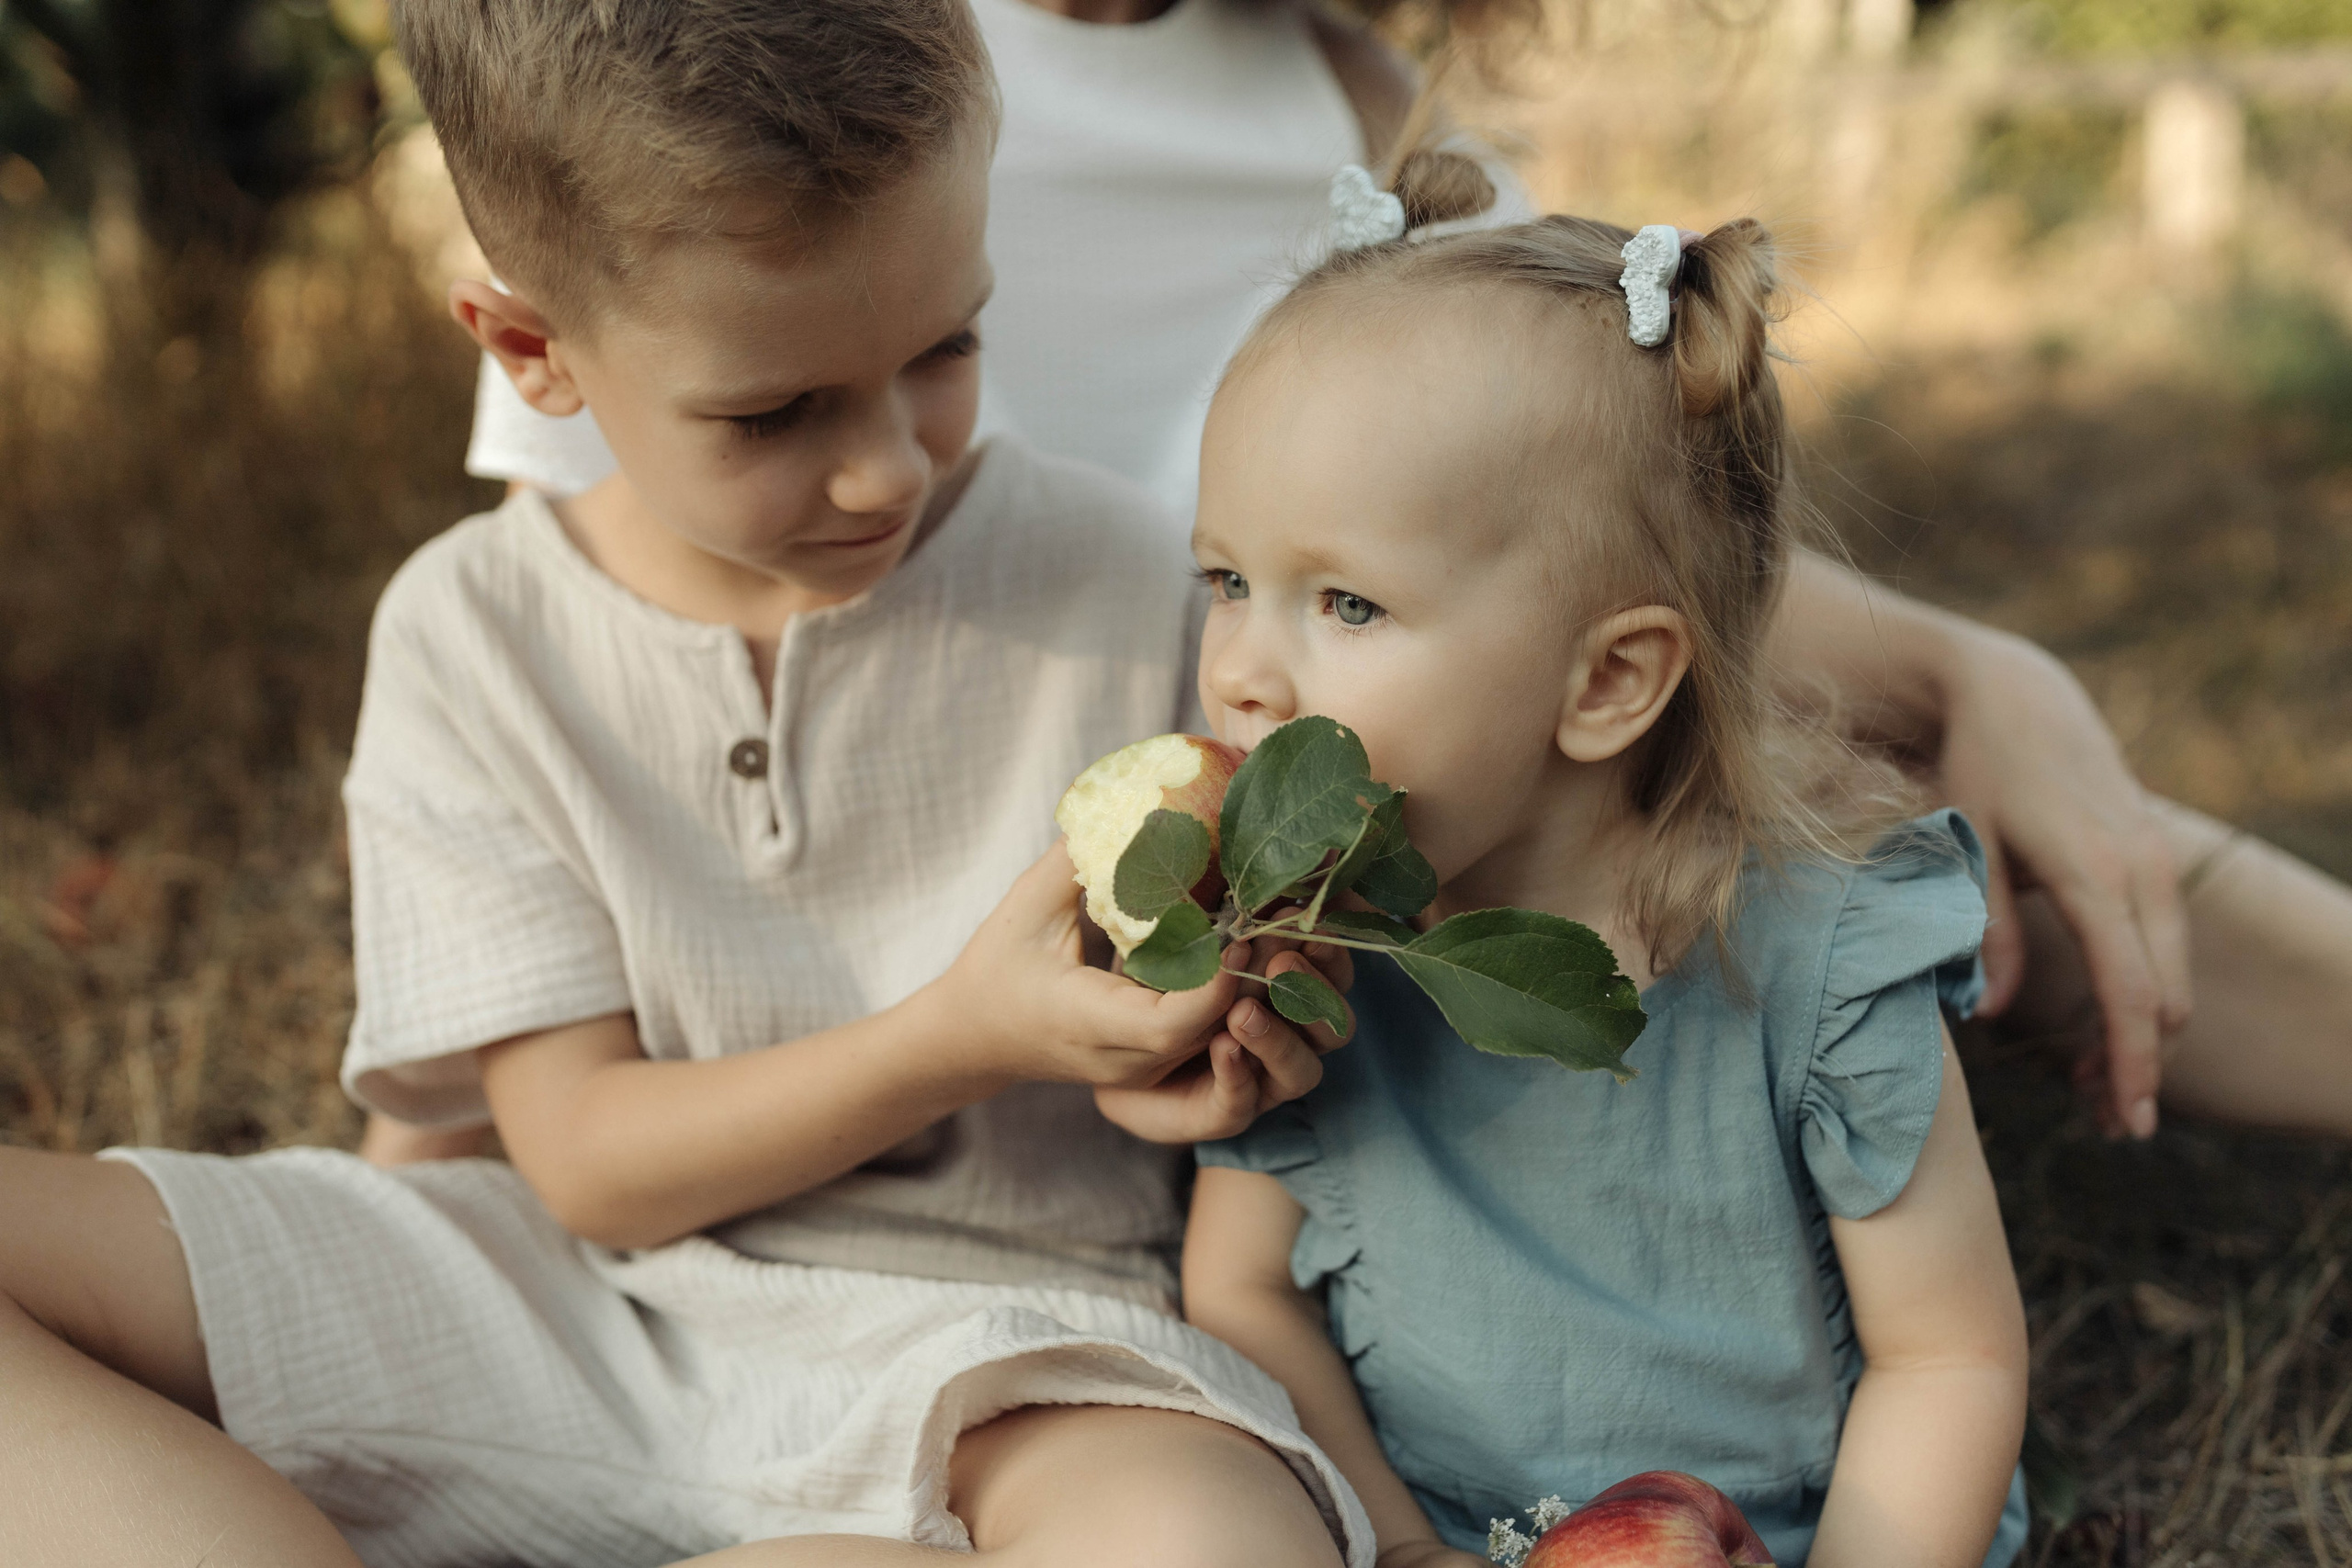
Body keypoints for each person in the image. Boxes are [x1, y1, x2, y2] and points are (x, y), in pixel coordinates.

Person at [428, 0, 2352, 1170]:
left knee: (1865, 821)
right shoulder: (828, 71)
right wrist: (464, 1102)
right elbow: (636, 594)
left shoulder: (1336, 93)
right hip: (1067, 800)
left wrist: (1958, 667)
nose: (893, 427)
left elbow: (1564, 516)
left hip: (1357, 751)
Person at [0, 3, 1374, 1563]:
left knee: (1208, 1539)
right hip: (570, 1321)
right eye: (774, 413)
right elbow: (585, 1163)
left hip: (1007, 1354)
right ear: (533, 352)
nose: (888, 470)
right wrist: (961, 1037)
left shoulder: (1139, 585)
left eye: (947, 348)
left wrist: (1220, 1040)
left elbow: (1248, 1031)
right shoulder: (477, 634)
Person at [1178, 184, 2030, 1566]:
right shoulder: (1318, 956)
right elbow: (1241, 1289)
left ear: (1609, 680)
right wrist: (1396, 1547)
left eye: (1345, 604)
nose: (1238, 674)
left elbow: (1950, 1357)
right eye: (1224, 580)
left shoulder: (1818, 954)